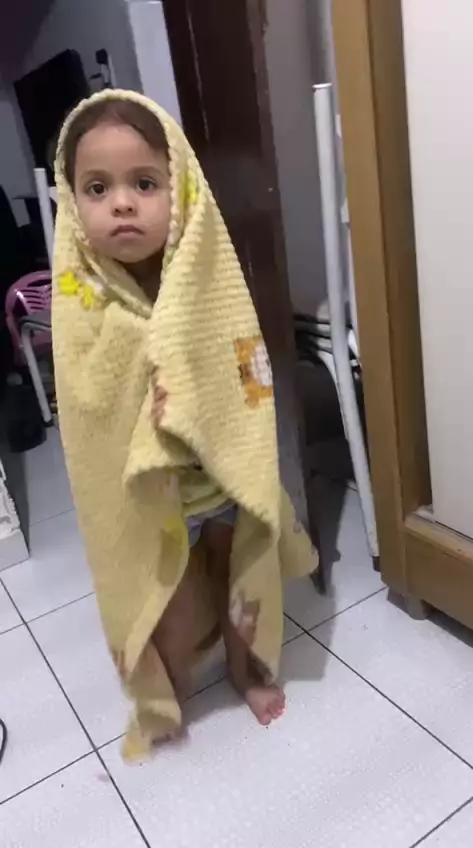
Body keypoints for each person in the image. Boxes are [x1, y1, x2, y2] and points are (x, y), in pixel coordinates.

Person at [53, 90, 316, 758]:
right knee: (164, 612)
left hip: (219, 481)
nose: (121, 203)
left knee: (239, 587)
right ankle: (166, 687)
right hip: (151, 500)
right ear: (72, 203)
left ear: (182, 193)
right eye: (97, 187)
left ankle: (245, 670)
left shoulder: (205, 284)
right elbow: (88, 405)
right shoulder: (82, 305)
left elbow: (242, 371)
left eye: (144, 183)